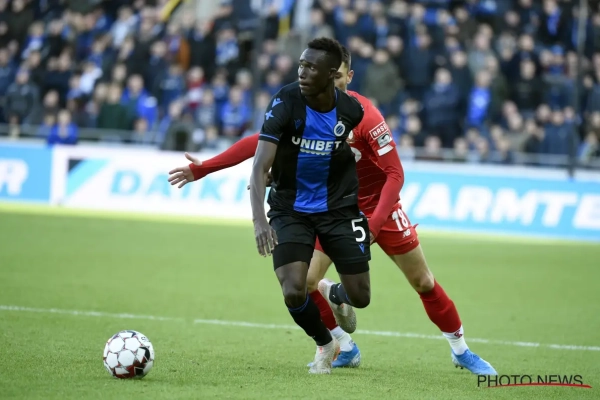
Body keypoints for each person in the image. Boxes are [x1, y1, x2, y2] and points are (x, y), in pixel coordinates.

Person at [168, 45, 497, 376]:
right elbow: (259, 140)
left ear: (347, 77)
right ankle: (343, 344)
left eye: (336, 76)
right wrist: (204, 168)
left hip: (378, 206)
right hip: (334, 207)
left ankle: (461, 350)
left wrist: (374, 224)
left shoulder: (365, 116)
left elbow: (395, 174)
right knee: (305, 282)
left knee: (423, 281)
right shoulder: (304, 106)